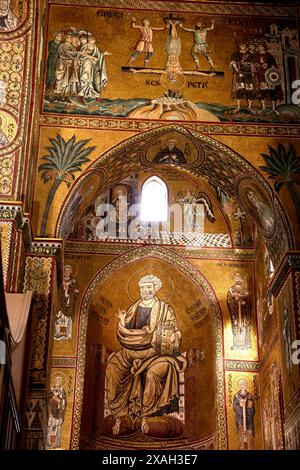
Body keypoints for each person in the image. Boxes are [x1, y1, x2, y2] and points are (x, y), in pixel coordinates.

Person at [105, 274, 187, 435]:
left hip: (155, 352)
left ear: (155, 288)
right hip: (131, 351)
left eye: (149, 287)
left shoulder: (165, 309)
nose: (145, 290)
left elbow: (174, 331)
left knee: (152, 374)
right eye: (142, 287)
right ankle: (119, 417)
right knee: (112, 369)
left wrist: (173, 336)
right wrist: (122, 320)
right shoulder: (134, 307)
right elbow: (124, 330)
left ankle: (145, 417)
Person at [78, 35, 110, 100]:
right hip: (87, 63)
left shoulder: (95, 47)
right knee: (85, 77)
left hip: (94, 65)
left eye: (92, 39)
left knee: (96, 79)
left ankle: (96, 96)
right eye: (89, 39)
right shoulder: (85, 46)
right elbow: (82, 54)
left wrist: (103, 54)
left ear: (94, 40)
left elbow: (98, 56)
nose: (90, 41)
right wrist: (91, 57)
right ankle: (81, 95)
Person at [230, 42, 257, 113]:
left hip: (248, 75)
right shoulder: (235, 54)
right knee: (239, 90)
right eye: (241, 45)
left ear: (246, 46)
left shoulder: (250, 55)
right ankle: (238, 107)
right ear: (239, 46)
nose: (243, 47)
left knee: (250, 90)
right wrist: (238, 71)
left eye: (244, 45)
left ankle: (250, 107)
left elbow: (253, 65)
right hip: (240, 74)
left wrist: (252, 72)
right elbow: (233, 63)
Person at [227, 272, 252, 350]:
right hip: (236, 312)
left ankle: (246, 344)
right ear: (234, 279)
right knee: (235, 325)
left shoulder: (245, 290)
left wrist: (243, 302)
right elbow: (229, 300)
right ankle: (236, 345)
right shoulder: (231, 290)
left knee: (245, 326)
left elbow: (248, 299)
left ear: (241, 279)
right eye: (236, 278)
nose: (238, 279)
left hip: (244, 312)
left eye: (239, 278)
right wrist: (234, 300)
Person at [54, 265, 79, 340]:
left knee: (66, 319)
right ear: (64, 271)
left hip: (69, 303)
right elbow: (57, 291)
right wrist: (64, 289)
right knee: (60, 317)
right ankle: (58, 333)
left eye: (68, 271)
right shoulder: (60, 281)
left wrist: (70, 292)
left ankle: (65, 334)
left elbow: (76, 291)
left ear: (71, 272)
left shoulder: (73, 281)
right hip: (61, 302)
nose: (67, 272)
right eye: (66, 270)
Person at [55, 32, 81, 99]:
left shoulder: (73, 47)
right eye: (68, 38)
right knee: (61, 77)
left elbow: (75, 54)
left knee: (70, 77)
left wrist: (76, 58)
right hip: (63, 62)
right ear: (66, 38)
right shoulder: (62, 45)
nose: (70, 39)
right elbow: (64, 53)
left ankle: (67, 92)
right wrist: (73, 56)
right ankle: (59, 91)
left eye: (71, 38)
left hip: (71, 64)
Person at [233, 379, 255, 449]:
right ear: (239, 386)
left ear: (246, 385)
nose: (243, 386)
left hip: (248, 419)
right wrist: (240, 405)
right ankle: (241, 447)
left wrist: (248, 406)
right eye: (241, 384)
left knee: (249, 433)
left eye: (244, 384)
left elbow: (252, 408)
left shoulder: (249, 396)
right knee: (241, 433)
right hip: (240, 419)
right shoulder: (236, 396)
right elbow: (235, 407)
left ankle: (250, 447)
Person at [46, 376, 67, 448]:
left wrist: (59, 400)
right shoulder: (51, 390)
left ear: (61, 382)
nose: (57, 382)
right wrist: (53, 399)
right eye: (56, 380)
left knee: (56, 428)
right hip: (51, 412)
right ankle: (49, 443)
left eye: (59, 381)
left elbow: (64, 402)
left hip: (58, 413)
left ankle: (54, 444)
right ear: (54, 381)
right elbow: (48, 401)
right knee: (51, 427)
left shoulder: (62, 391)